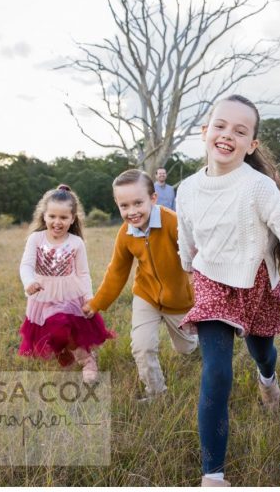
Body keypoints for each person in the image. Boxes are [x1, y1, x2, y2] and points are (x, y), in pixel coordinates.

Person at [176, 94, 280, 488]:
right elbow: (185, 241)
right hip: (210, 284)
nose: (227, 135)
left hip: (255, 282)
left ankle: (268, 378)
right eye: (220, 126)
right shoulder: (186, 189)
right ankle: (213, 476)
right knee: (216, 372)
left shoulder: (258, 188)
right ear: (205, 132)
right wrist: (188, 270)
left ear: (251, 144)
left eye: (240, 131)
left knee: (262, 351)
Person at [83, 169, 196, 401]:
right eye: (124, 206)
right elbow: (116, 271)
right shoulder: (125, 234)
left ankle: (197, 342)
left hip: (180, 300)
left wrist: (201, 299)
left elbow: (196, 259)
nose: (132, 212)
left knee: (186, 349)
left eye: (138, 203)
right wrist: (97, 303)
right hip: (146, 295)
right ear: (117, 204)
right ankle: (156, 394)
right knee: (142, 347)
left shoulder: (172, 222)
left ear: (153, 198)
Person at [18, 184, 114, 384]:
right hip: (42, 295)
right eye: (52, 216)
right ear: (44, 215)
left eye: (63, 217)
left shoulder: (76, 243)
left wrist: (89, 297)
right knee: (52, 333)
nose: (57, 222)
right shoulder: (36, 239)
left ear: (72, 218)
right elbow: (26, 265)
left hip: (69, 295)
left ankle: (88, 361)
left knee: (64, 327)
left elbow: (83, 273)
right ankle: (62, 350)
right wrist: (29, 282)